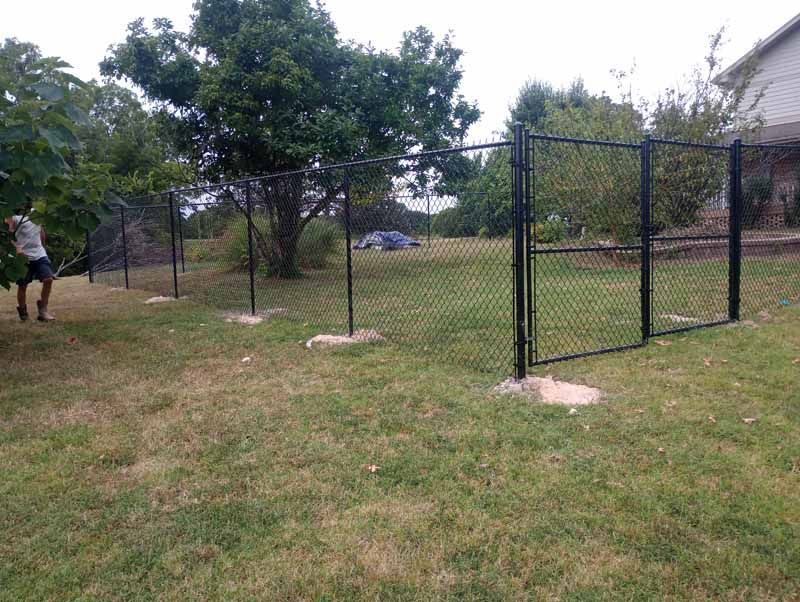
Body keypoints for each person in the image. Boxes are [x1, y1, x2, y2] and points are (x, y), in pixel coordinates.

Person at [5, 213, 56, 322]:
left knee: (48, 279)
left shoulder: (36, 213)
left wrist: (43, 247)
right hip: (22, 256)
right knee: (23, 285)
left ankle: (43, 310)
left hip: (39, 254)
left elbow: (40, 230)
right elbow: (8, 235)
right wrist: (17, 248)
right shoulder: (13, 216)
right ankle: (23, 312)